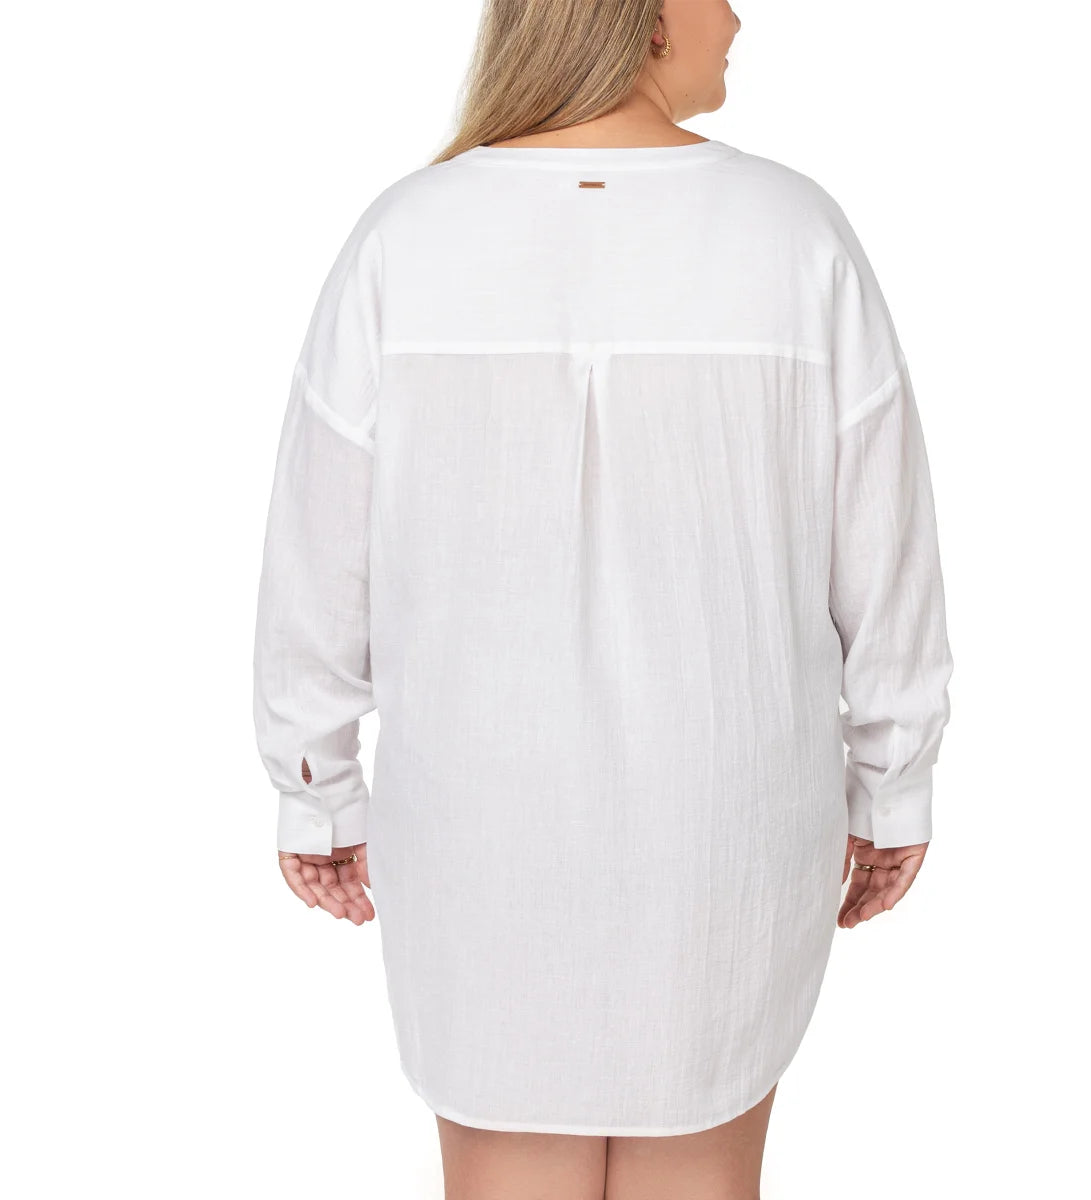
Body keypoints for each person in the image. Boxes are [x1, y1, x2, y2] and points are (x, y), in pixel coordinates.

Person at [251, 1, 954, 1196]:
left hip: (480, 830)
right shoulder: (793, 234)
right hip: (725, 827)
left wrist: (314, 786)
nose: (738, 15)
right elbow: (885, 550)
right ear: (644, 15)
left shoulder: (407, 237)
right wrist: (892, 779)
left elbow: (318, 555)